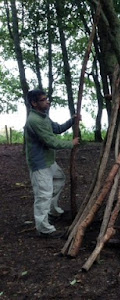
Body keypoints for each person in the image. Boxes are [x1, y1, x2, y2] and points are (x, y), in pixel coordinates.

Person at [25, 89, 80, 239]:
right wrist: (71, 143)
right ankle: (44, 229)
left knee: (59, 179)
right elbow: (50, 141)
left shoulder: (43, 117)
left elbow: (57, 129)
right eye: (43, 100)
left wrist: (72, 121)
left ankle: (52, 210)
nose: (47, 101)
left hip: (48, 160)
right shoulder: (34, 121)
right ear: (34, 103)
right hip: (40, 163)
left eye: (46, 99)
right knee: (43, 194)